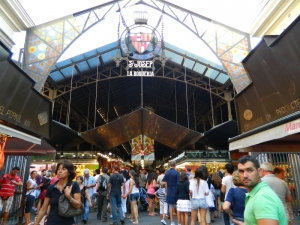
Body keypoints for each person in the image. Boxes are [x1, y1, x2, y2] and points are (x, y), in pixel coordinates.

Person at [232, 155, 287, 225]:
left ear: (260, 171)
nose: (245, 175)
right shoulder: (259, 193)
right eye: (241, 171)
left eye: (249, 170)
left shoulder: (262, 198)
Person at [33, 161, 81, 225]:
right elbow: (43, 209)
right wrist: (36, 223)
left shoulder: (73, 185)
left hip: (68, 222)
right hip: (52, 221)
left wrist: (68, 196)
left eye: (63, 169)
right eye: (59, 169)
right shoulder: (51, 187)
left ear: (69, 172)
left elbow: (78, 205)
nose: (60, 171)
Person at [163, 161, 180, 225]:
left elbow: (165, 183)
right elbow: (178, 183)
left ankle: (172, 222)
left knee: (170, 206)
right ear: (175, 165)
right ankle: (179, 222)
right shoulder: (177, 172)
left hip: (169, 190)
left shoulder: (167, 172)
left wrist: (167, 190)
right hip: (176, 190)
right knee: (178, 206)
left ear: (170, 165)